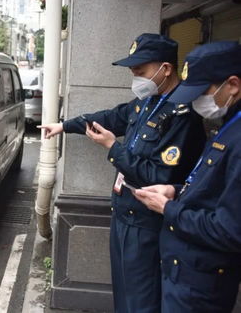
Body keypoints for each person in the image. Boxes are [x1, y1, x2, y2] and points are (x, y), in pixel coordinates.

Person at [38, 33, 206, 312]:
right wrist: (64, 125)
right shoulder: (148, 102)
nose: (135, 77)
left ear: (165, 69)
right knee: (124, 293)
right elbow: (110, 118)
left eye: (141, 71)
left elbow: (157, 177)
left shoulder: (182, 115)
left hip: (148, 224)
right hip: (124, 213)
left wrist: (112, 148)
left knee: (141, 299)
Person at [133, 41, 241, 313]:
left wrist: (168, 209)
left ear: (233, 86)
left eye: (203, 91)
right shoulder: (227, 125)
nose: (195, 101)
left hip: (201, 283)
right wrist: (176, 190)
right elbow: (216, 189)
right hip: (187, 272)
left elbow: (230, 230)